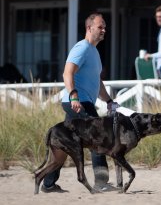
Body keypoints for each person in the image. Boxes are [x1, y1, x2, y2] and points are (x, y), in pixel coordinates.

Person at [41, 12, 119, 193]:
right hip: (79, 102)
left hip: (79, 102)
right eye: (100, 26)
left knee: (64, 143)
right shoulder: (81, 48)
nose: (104, 30)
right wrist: (74, 96)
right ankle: (101, 183)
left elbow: (97, 82)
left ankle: (48, 184)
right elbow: (67, 73)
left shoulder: (94, 52)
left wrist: (108, 100)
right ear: (89, 28)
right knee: (98, 137)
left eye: (105, 26)